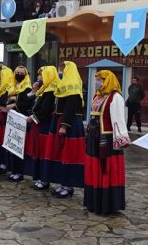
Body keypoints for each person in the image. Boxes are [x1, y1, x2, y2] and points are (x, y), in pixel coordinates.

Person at [84, 70, 130, 215]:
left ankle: (106, 204)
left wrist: (121, 138)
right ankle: (94, 201)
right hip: (93, 137)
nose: (98, 82)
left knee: (106, 169)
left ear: (108, 80)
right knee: (94, 168)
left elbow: (118, 119)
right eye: (97, 79)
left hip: (107, 139)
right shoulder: (97, 96)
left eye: (101, 79)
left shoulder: (115, 97)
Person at [44, 61, 85, 198]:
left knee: (69, 154)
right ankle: (63, 183)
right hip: (60, 121)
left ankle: (69, 186)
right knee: (60, 154)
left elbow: (71, 107)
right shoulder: (64, 84)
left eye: (63, 69)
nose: (61, 71)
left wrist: (64, 125)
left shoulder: (72, 86)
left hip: (70, 124)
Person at [25, 66, 58, 190]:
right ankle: (39, 177)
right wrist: (34, 91)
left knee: (43, 152)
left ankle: (44, 179)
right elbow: (33, 103)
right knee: (38, 151)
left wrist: (33, 117)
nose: (40, 77)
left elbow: (45, 110)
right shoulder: (43, 89)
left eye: (42, 75)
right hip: (39, 125)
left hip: (44, 125)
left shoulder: (51, 90)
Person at [4, 66, 33, 182]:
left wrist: (14, 104)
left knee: (19, 146)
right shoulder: (15, 86)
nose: (19, 75)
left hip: (21, 119)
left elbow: (26, 103)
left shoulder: (27, 87)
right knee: (12, 145)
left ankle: (19, 172)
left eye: (21, 73)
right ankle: (13, 170)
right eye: (17, 73)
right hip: (12, 119)